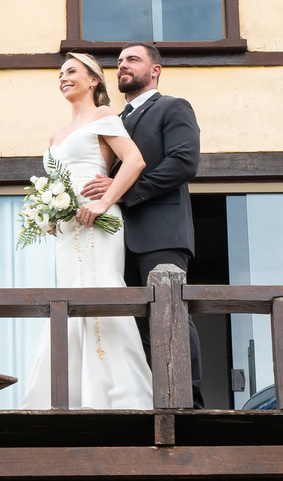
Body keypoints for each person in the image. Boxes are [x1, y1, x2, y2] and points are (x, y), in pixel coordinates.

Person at [17, 52, 154, 409]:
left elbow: (135, 161)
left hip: (98, 227)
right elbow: (54, 181)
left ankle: (117, 397)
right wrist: (46, 215)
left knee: (100, 291)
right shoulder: (55, 135)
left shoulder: (103, 116)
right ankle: (66, 396)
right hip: (66, 231)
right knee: (68, 298)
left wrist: (104, 201)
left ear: (94, 80)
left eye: (72, 71)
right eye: (60, 73)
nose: (63, 77)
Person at [80, 42, 206, 409]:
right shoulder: (112, 122)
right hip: (116, 240)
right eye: (118, 62)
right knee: (136, 326)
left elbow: (184, 163)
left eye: (132, 59)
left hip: (161, 232)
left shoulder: (172, 107)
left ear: (156, 70)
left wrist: (122, 193)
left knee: (172, 316)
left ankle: (189, 404)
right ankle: (151, 401)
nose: (122, 66)